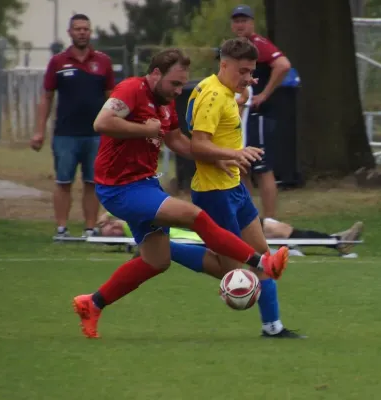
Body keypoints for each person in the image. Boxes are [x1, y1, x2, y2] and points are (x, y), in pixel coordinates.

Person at [72, 48, 289, 339]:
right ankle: (261, 262)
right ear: (156, 73)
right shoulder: (131, 89)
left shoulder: (165, 104)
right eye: (174, 84)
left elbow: (178, 141)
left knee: (156, 260)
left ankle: (92, 304)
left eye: (181, 85)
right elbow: (102, 123)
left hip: (145, 184)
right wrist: (143, 129)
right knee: (193, 215)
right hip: (120, 189)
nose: (177, 91)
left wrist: (217, 158)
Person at [187, 37, 304, 339]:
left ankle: (273, 327)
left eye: (252, 72)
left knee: (263, 256)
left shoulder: (228, 91)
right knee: (235, 270)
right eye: (242, 71)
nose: (248, 78)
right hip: (214, 193)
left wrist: (230, 156)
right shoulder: (212, 95)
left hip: (234, 187)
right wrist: (235, 154)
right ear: (223, 64)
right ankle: (164, 248)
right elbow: (198, 146)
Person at [30, 14, 115, 238]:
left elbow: (112, 99)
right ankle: (61, 228)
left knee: (92, 182)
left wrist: (116, 129)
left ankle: (89, 228)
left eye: (85, 29)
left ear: (90, 32)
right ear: (70, 32)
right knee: (63, 181)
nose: (81, 32)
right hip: (65, 134)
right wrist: (39, 131)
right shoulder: (58, 62)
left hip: (96, 135)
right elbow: (46, 97)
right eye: (77, 29)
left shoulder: (103, 62)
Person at [230, 4, 291, 220]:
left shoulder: (259, 45)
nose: (239, 25)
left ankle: (271, 222)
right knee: (243, 168)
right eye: (236, 21)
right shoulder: (234, 48)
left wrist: (264, 94)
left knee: (262, 169)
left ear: (252, 23)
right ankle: (248, 220)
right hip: (241, 116)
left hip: (258, 115)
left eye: (243, 21)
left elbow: (283, 65)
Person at [97, 212, 364, 257]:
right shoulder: (132, 231)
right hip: (207, 234)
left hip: (205, 224)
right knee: (274, 230)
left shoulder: (130, 225)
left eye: (107, 225)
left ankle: (334, 241)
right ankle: (335, 242)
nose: (108, 228)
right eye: (104, 229)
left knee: (273, 227)